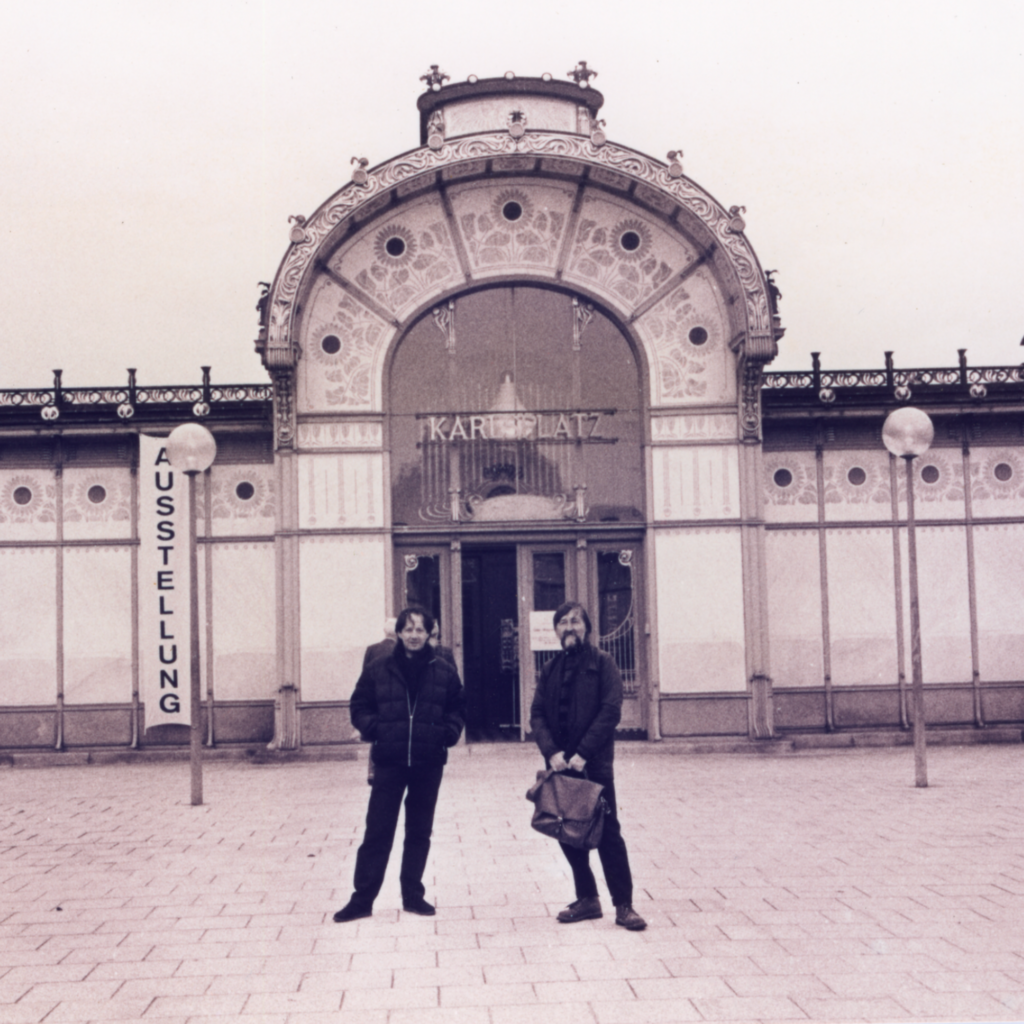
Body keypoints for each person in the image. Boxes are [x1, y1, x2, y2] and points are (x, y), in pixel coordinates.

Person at [334, 606, 465, 922]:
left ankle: (413, 895)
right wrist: (377, 729)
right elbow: (359, 705)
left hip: (428, 761)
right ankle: (362, 900)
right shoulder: (380, 667)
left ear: (429, 633)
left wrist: (444, 735)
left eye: (420, 630)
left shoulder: (444, 669)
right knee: (378, 831)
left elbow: (457, 708)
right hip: (389, 761)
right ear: (398, 633)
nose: (414, 635)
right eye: (408, 629)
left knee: (419, 831)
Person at [529, 601, 647, 931]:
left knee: (608, 834)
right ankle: (587, 899)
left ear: (587, 628)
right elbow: (536, 714)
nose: (570, 627)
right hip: (560, 767)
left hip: (593, 767)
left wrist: (582, 753)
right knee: (566, 831)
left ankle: (624, 906)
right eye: (563, 622)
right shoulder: (549, 669)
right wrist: (552, 752)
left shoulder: (604, 663)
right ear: (555, 631)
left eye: (576, 621)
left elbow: (610, 711)